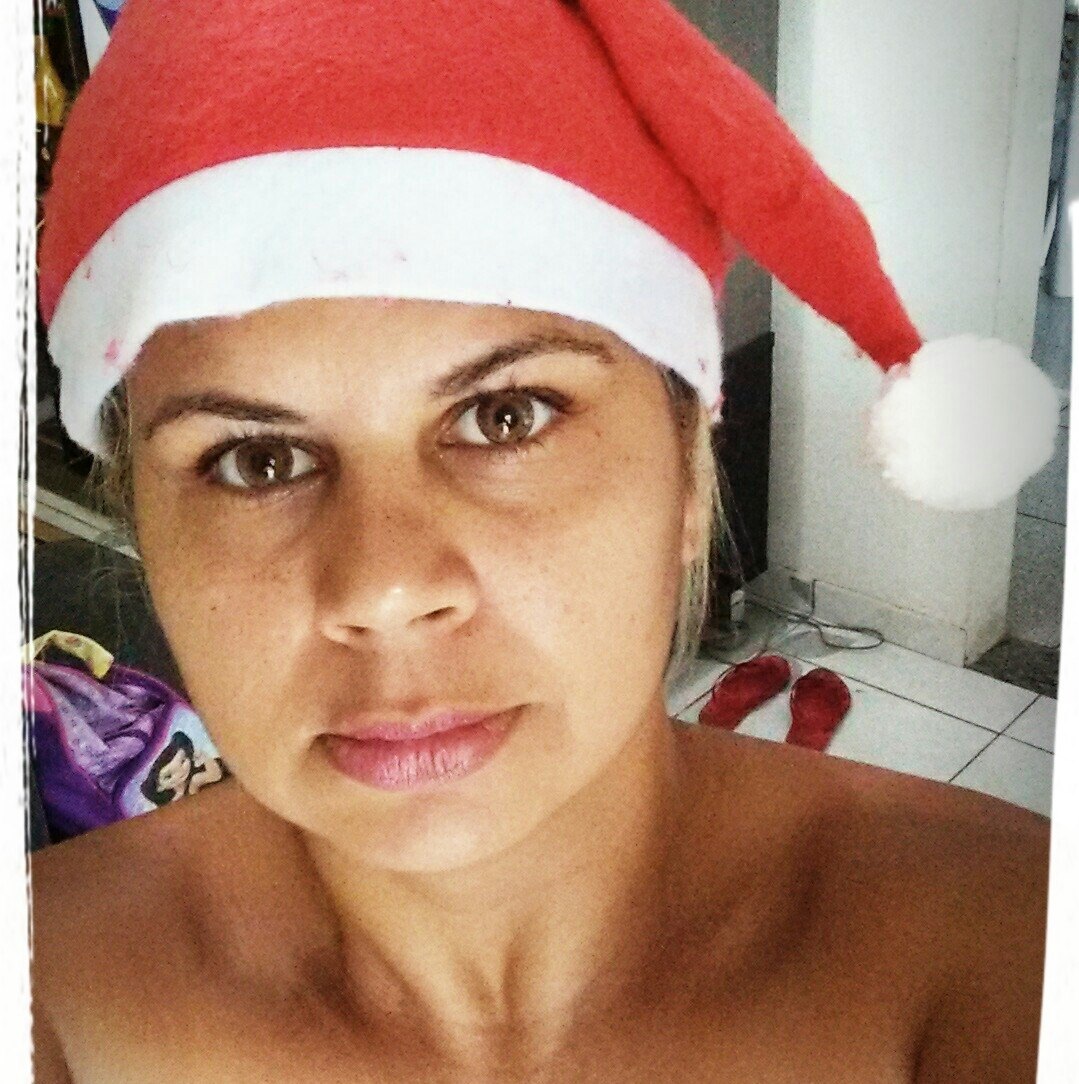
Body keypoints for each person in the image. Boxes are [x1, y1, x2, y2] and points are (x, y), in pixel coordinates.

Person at [30, 1, 1058, 1081]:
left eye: (504, 416)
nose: (384, 587)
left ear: (689, 474)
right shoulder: (49, 994)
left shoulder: (1004, 953)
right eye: (256, 460)